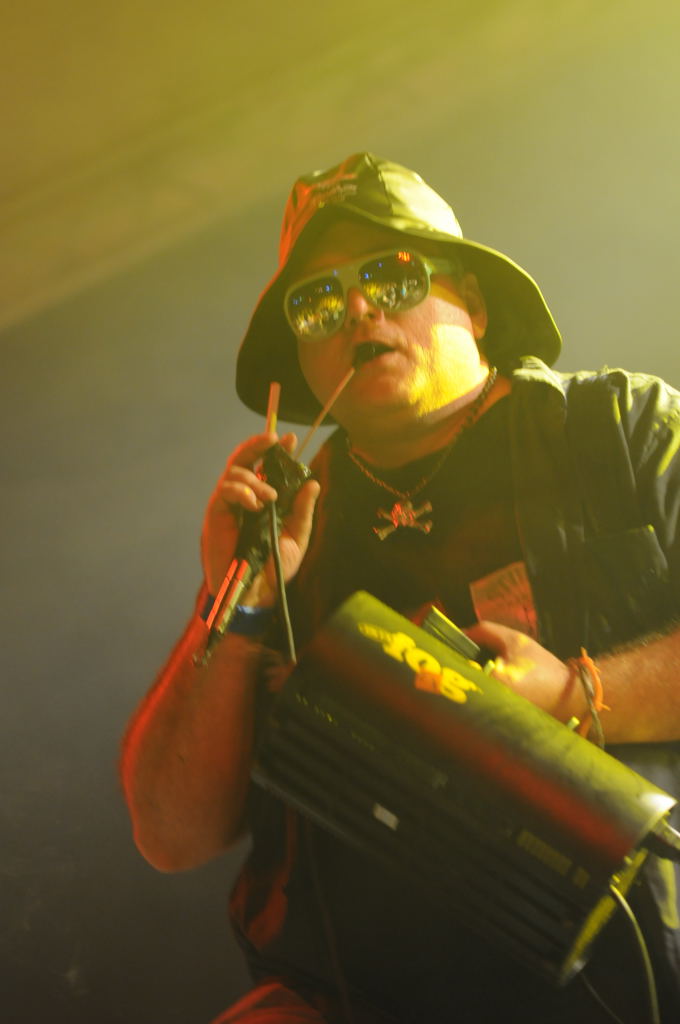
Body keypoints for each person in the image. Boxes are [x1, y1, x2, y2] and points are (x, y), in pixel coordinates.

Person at [121, 153, 680, 1022]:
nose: (356, 309)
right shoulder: (289, 527)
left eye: (390, 275)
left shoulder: (620, 428)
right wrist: (235, 597)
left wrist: (575, 696)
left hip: (636, 977)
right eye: (317, 301)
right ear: (301, 359)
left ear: (475, 305)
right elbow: (170, 834)